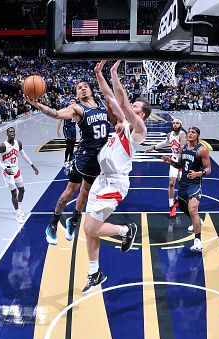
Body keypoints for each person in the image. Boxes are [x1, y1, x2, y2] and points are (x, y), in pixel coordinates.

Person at [79, 60, 150, 294]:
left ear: (142, 114)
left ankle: (126, 231)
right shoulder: (122, 124)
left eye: (136, 107)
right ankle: (94, 273)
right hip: (102, 179)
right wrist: (100, 74)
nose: (132, 108)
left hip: (115, 182)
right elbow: (111, 98)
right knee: (88, 229)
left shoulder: (138, 129)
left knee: (91, 227)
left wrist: (115, 75)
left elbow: (121, 101)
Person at [25, 80, 118, 245]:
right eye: (79, 88)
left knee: (85, 192)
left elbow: (116, 122)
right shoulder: (77, 109)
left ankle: (74, 219)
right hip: (83, 157)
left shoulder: (103, 105)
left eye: (85, 87)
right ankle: (53, 224)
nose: (82, 89)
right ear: (76, 94)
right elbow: (57, 114)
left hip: (98, 161)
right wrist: (38, 105)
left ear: (91, 89)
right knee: (69, 192)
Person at [162, 126, 211, 253]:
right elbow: (179, 165)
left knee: (193, 209)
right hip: (183, 183)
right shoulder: (182, 148)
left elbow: (208, 169)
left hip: (194, 184)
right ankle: (197, 221)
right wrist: (170, 161)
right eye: (189, 132)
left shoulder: (202, 150)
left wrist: (197, 174)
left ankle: (198, 241)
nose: (190, 134)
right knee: (184, 208)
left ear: (197, 135)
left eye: (193, 132)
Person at [0, 127, 39, 224]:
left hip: (16, 169)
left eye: (13, 131)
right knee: (14, 193)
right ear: (7, 134)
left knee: (22, 190)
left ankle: (18, 208)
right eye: (10, 132)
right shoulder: (2, 146)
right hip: (8, 170)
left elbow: (23, 155)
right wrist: (4, 168)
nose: (12, 133)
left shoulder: (18, 143)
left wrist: (32, 165)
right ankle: (17, 213)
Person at [146, 118, 186, 217]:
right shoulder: (170, 134)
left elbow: (182, 149)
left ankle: (179, 201)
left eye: (177, 123)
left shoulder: (183, 135)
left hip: (182, 162)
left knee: (183, 185)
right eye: (174, 123)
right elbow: (165, 143)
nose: (175, 125)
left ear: (180, 125)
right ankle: (171, 206)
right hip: (174, 160)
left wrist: (179, 163)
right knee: (171, 184)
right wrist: (154, 147)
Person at [56, 98, 78, 173]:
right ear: (69, 103)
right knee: (68, 145)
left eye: (73, 101)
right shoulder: (66, 110)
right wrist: (58, 130)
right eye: (71, 101)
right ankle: (65, 161)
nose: (72, 102)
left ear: (75, 103)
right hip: (67, 129)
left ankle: (70, 159)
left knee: (72, 145)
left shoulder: (77, 111)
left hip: (73, 129)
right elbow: (60, 120)